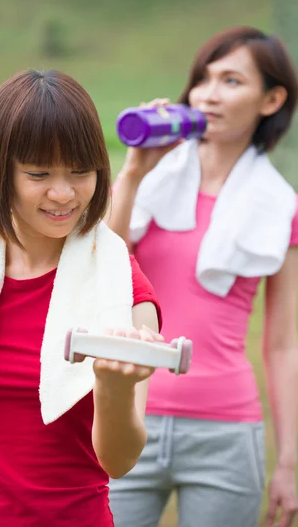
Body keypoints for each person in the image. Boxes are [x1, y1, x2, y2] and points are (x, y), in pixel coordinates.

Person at [0, 69, 165, 527]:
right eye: (38, 173)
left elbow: (119, 462)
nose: (63, 193)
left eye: (81, 172)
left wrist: (115, 389)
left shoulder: (124, 291)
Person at [107, 26, 298, 527]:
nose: (209, 94)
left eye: (232, 81)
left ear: (272, 99)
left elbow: (281, 345)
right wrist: (132, 174)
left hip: (226, 434)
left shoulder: (281, 207)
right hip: (125, 417)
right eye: (203, 79)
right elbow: (98, 265)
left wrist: (289, 464)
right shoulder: (150, 180)